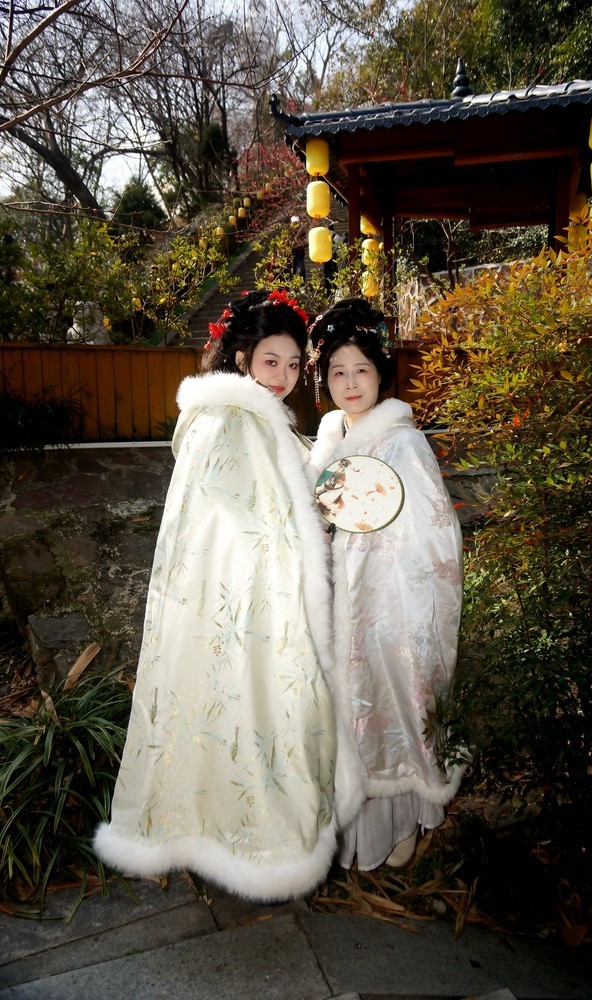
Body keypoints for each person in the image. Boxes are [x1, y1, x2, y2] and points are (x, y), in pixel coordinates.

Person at [95, 289, 362, 902]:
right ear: (241, 358)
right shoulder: (229, 421)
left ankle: (231, 838)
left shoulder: (252, 419)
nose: (283, 376)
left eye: (292, 364)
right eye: (271, 361)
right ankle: (255, 844)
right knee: (251, 713)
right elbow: (234, 518)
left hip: (241, 600)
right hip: (243, 600)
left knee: (237, 717)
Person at [308, 297, 466, 871]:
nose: (350, 383)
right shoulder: (329, 437)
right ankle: (346, 828)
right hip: (334, 596)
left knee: (387, 700)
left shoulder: (403, 442)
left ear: (381, 374)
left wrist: (384, 577)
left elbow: (433, 534)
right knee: (342, 709)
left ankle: (401, 821)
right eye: (338, 372)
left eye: (362, 370)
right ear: (324, 380)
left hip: (387, 600)